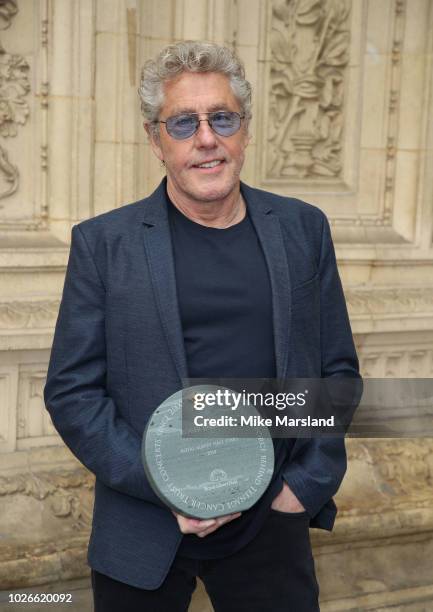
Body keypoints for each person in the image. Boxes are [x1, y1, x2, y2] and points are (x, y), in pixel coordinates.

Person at [44, 40, 360, 612]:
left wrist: (304, 486)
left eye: (222, 118)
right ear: (155, 140)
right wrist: (163, 484)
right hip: (145, 525)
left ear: (244, 130)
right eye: (183, 123)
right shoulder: (103, 244)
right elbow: (72, 392)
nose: (206, 138)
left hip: (271, 520)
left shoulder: (302, 229)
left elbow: (336, 370)